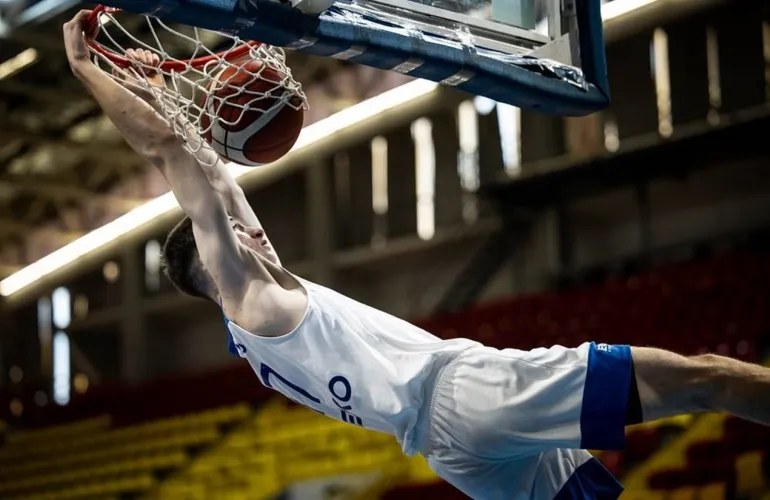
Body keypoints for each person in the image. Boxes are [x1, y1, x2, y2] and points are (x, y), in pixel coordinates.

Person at [64, 11, 770, 499]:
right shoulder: (249, 292)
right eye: (232, 230)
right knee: (704, 377)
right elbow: (171, 157)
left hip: (448, 450)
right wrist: (88, 67)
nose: (251, 227)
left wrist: (154, 80)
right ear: (213, 262)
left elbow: (211, 174)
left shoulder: (255, 313)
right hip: (461, 395)